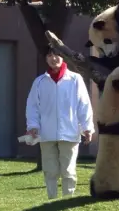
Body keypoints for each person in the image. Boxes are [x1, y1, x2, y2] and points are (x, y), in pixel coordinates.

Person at [25, 46, 95, 199]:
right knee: (50, 170)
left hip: (69, 132)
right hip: (46, 133)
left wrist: (87, 128)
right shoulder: (40, 82)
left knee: (68, 171)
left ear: (63, 57)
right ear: (46, 59)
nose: (53, 58)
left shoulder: (75, 79)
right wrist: (33, 126)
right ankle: (52, 201)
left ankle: (66, 201)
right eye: (49, 55)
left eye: (56, 55)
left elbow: (83, 104)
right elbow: (32, 106)